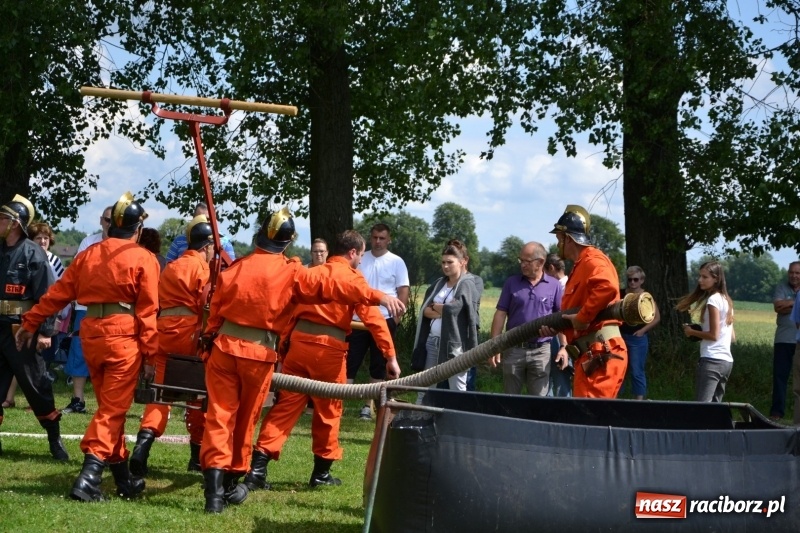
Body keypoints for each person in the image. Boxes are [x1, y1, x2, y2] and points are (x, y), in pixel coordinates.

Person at [198, 207, 404, 514]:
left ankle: (234, 482)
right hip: (307, 352)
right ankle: (317, 472)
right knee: (325, 410)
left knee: (236, 414)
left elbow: (216, 308)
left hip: (239, 349)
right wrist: (386, 336)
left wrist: (211, 344)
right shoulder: (297, 272)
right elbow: (360, 308)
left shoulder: (240, 267)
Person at [17, 192, 159, 501]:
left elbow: (58, 294)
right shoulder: (144, 258)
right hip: (123, 338)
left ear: (113, 226)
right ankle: (88, 478)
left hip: (90, 334)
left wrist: (31, 322)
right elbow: (147, 312)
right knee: (112, 410)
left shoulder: (88, 254)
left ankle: (124, 480)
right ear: (136, 230)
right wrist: (150, 354)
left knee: (110, 408)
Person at [243, 230, 400, 492]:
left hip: (299, 346)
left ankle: (257, 469)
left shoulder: (308, 273)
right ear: (352, 253)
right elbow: (374, 319)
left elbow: (286, 309)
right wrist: (390, 356)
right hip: (329, 350)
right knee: (329, 410)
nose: (361, 260)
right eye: (361, 255)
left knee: (285, 407)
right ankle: (321, 473)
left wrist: (282, 346)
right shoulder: (353, 280)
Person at [129, 215, 215, 478]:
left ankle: (142, 448)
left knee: (161, 396)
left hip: (163, 334)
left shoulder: (172, 266)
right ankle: (196, 457)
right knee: (199, 396)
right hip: (190, 337)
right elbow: (206, 306)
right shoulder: (203, 269)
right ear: (207, 246)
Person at [0, 195, 68, 461]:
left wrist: (44, 332)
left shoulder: (34, 253)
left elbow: (47, 297)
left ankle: (54, 439)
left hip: (21, 332)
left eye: (3, 218)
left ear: (15, 224)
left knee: (36, 386)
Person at [540, 205, 627, 398]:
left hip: (599, 352)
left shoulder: (592, 261)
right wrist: (559, 328)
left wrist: (582, 317)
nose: (557, 245)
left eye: (558, 239)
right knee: (588, 418)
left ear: (568, 238)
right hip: (591, 353)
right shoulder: (582, 265)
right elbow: (577, 313)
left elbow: (607, 287)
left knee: (590, 420)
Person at [346, 223, 409, 420]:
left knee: (379, 364)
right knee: (349, 362)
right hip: (358, 319)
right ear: (370, 238)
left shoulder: (396, 261)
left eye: (382, 238)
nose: (378, 241)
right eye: (374, 237)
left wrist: (397, 317)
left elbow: (403, 290)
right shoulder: (361, 258)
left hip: (384, 319)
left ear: (388, 239)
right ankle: (337, 402)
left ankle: (368, 406)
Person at [3, 222, 69, 407]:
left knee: (34, 367)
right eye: (38, 237)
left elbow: (55, 293)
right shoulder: (16, 253)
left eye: (46, 238)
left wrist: (51, 324)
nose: (42, 241)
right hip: (13, 320)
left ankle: (41, 407)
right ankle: (9, 397)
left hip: (36, 319)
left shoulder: (53, 261)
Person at [489, 242, 565, 396]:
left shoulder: (554, 285)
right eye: (521, 260)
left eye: (527, 261)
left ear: (541, 262)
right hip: (513, 349)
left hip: (541, 351)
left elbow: (561, 318)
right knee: (511, 400)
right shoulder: (512, 283)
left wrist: (564, 346)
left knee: (538, 402)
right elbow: (500, 314)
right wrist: (494, 346)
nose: (522, 265)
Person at [413, 240, 482, 395]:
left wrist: (440, 309)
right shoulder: (438, 284)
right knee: (424, 388)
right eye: (443, 262)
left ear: (462, 262)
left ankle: (460, 419)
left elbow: (462, 311)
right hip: (433, 341)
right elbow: (425, 311)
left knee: (457, 389)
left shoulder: (468, 284)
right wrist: (446, 310)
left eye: (450, 262)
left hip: (455, 345)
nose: (445, 266)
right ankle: (421, 418)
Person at [63, 205, 113, 415]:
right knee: (79, 351)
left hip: (113, 310)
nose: (110, 224)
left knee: (111, 355)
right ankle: (78, 399)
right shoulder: (88, 242)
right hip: (86, 307)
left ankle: (109, 403)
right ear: (101, 220)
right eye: (107, 220)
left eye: (113, 220)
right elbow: (77, 272)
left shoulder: (126, 244)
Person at [676, 260, 735, 402]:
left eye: (704, 277)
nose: (700, 280)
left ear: (716, 279)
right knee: (714, 410)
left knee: (701, 408)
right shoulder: (727, 300)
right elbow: (732, 336)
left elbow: (713, 335)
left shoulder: (713, 300)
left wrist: (692, 332)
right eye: (700, 276)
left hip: (712, 360)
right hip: (726, 362)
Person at [620, 266, 661, 400]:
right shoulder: (620, 294)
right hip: (619, 337)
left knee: (637, 370)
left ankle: (639, 401)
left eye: (635, 279)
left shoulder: (646, 297)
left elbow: (657, 318)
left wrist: (642, 331)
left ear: (642, 280)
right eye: (629, 279)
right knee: (618, 369)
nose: (632, 282)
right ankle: (615, 399)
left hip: (637, 338)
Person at [769, 261, 800, 420]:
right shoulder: (781, 287)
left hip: (798, 342)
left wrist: (787, 306)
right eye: (791, 272)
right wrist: (796, 304)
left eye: (797, 273)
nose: (794, 276)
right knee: (780, 377)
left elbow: (783, 307)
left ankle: (797, 415)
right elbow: (777, 307)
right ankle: (777, 413)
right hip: (783, 339)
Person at [166, 202, 236, 263]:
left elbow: (231, 271)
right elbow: (168, 267)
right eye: (199, 218)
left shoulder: (225, 242)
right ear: (194, 219)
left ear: (214, 219)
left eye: (208, 219)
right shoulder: (179, 241)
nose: (204, 222)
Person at [544, 253, 572, 397]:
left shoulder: (568, 287)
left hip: (564, 338)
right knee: (546, 380)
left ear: (551, 268)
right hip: (549, 337)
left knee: (562, 380)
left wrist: (564, 346)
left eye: (545, 271)